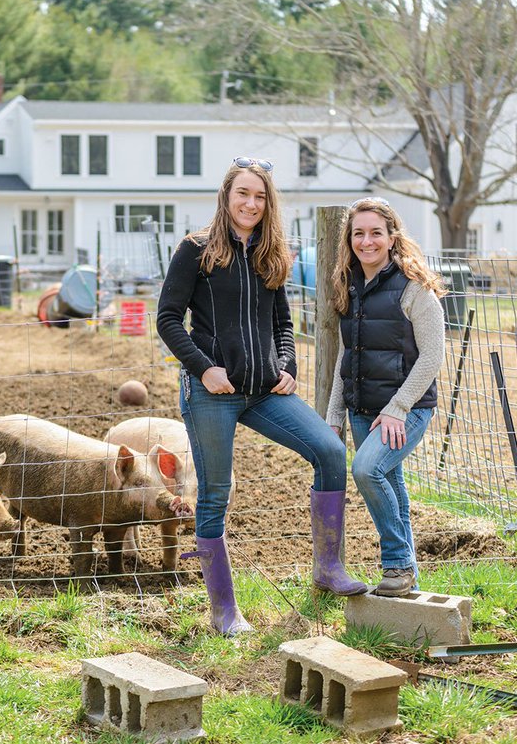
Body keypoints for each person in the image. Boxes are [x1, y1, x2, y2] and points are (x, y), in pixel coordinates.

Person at [157, 157, 367, 637]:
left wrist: (288, 367)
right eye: (242, 194)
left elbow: (283, 325)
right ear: (226, 197)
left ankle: (328, 569)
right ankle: (225, 613)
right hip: (214, 391)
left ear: (268, 203)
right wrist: (204, 369)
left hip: (265, 391)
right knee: (214, 494)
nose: (251, 203)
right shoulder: (195, 250)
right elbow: (167, 319)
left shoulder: (273, 254)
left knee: (331, 452)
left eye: (260, 196)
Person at [326, 197, 447, 597]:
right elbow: (347, 353)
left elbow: (432, 356)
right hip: (362, 410)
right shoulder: (350, 286)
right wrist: (334, 416)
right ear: (349, 239)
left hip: (406, 410)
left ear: (392, 237)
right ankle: (406, 580)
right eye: (358, 233)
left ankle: (396, 562)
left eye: (376, 232)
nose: (367, 241)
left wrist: (398, 408)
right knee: (391, 484)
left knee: (367, 471)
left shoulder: (415, 288)